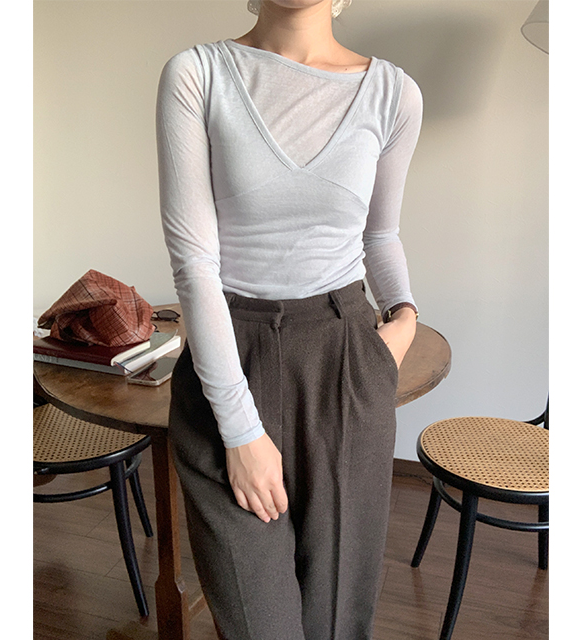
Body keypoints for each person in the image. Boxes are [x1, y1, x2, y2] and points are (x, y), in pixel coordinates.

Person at [156, 1, 422, 638]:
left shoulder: (394, 93)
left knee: (337, 618)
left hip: (345, 356)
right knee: (259, 624)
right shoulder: (198, 74)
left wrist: (405, 317)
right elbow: (195, 264)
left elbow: (380, 234)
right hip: (230, 359)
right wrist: (241, 432)